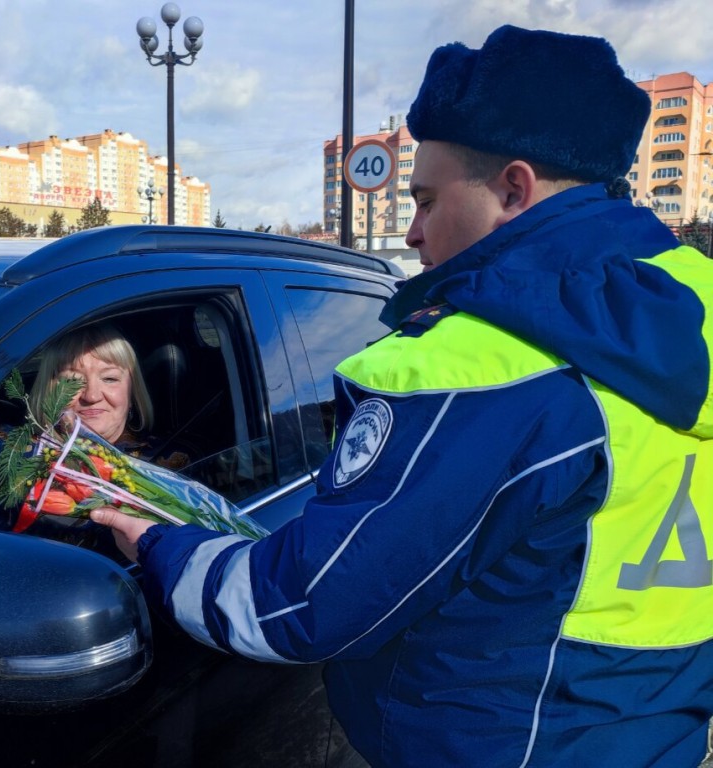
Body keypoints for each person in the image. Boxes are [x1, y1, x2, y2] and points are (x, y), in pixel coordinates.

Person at [91, 25, 713, 767]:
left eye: (424, 199)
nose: (413, 234)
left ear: (513, 188)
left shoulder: (479, 368)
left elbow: (297, 608)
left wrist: (158, 544)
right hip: (656, 731)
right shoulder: (688, 308)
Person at [0, 323, 189, 565]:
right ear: (47, 391)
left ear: (132, 391)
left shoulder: (162, 468)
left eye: (110, 378)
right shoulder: (9, 446)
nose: (90, 395)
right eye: (71, 381)